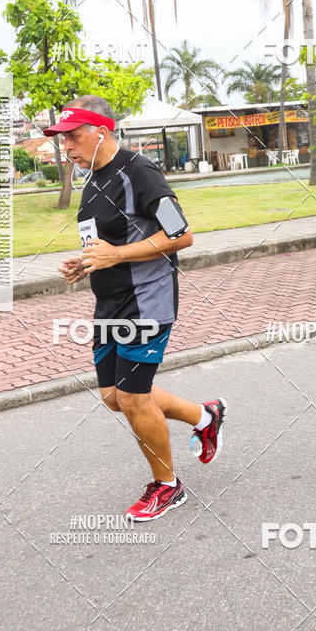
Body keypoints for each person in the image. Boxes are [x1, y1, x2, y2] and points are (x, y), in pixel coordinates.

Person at [44, 95, 227, 521]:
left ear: (99, 132)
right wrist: (86, 263)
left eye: (72, 137)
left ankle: (167, 486)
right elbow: (106, 243)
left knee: (132, 396)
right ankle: (205, 416)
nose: (65, 147)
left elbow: (182, 236)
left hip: (147, 301)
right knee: (113, 397)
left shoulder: (139, 171)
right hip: (108, 303)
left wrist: (118, 255)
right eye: (62, 139)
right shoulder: (91, 181)